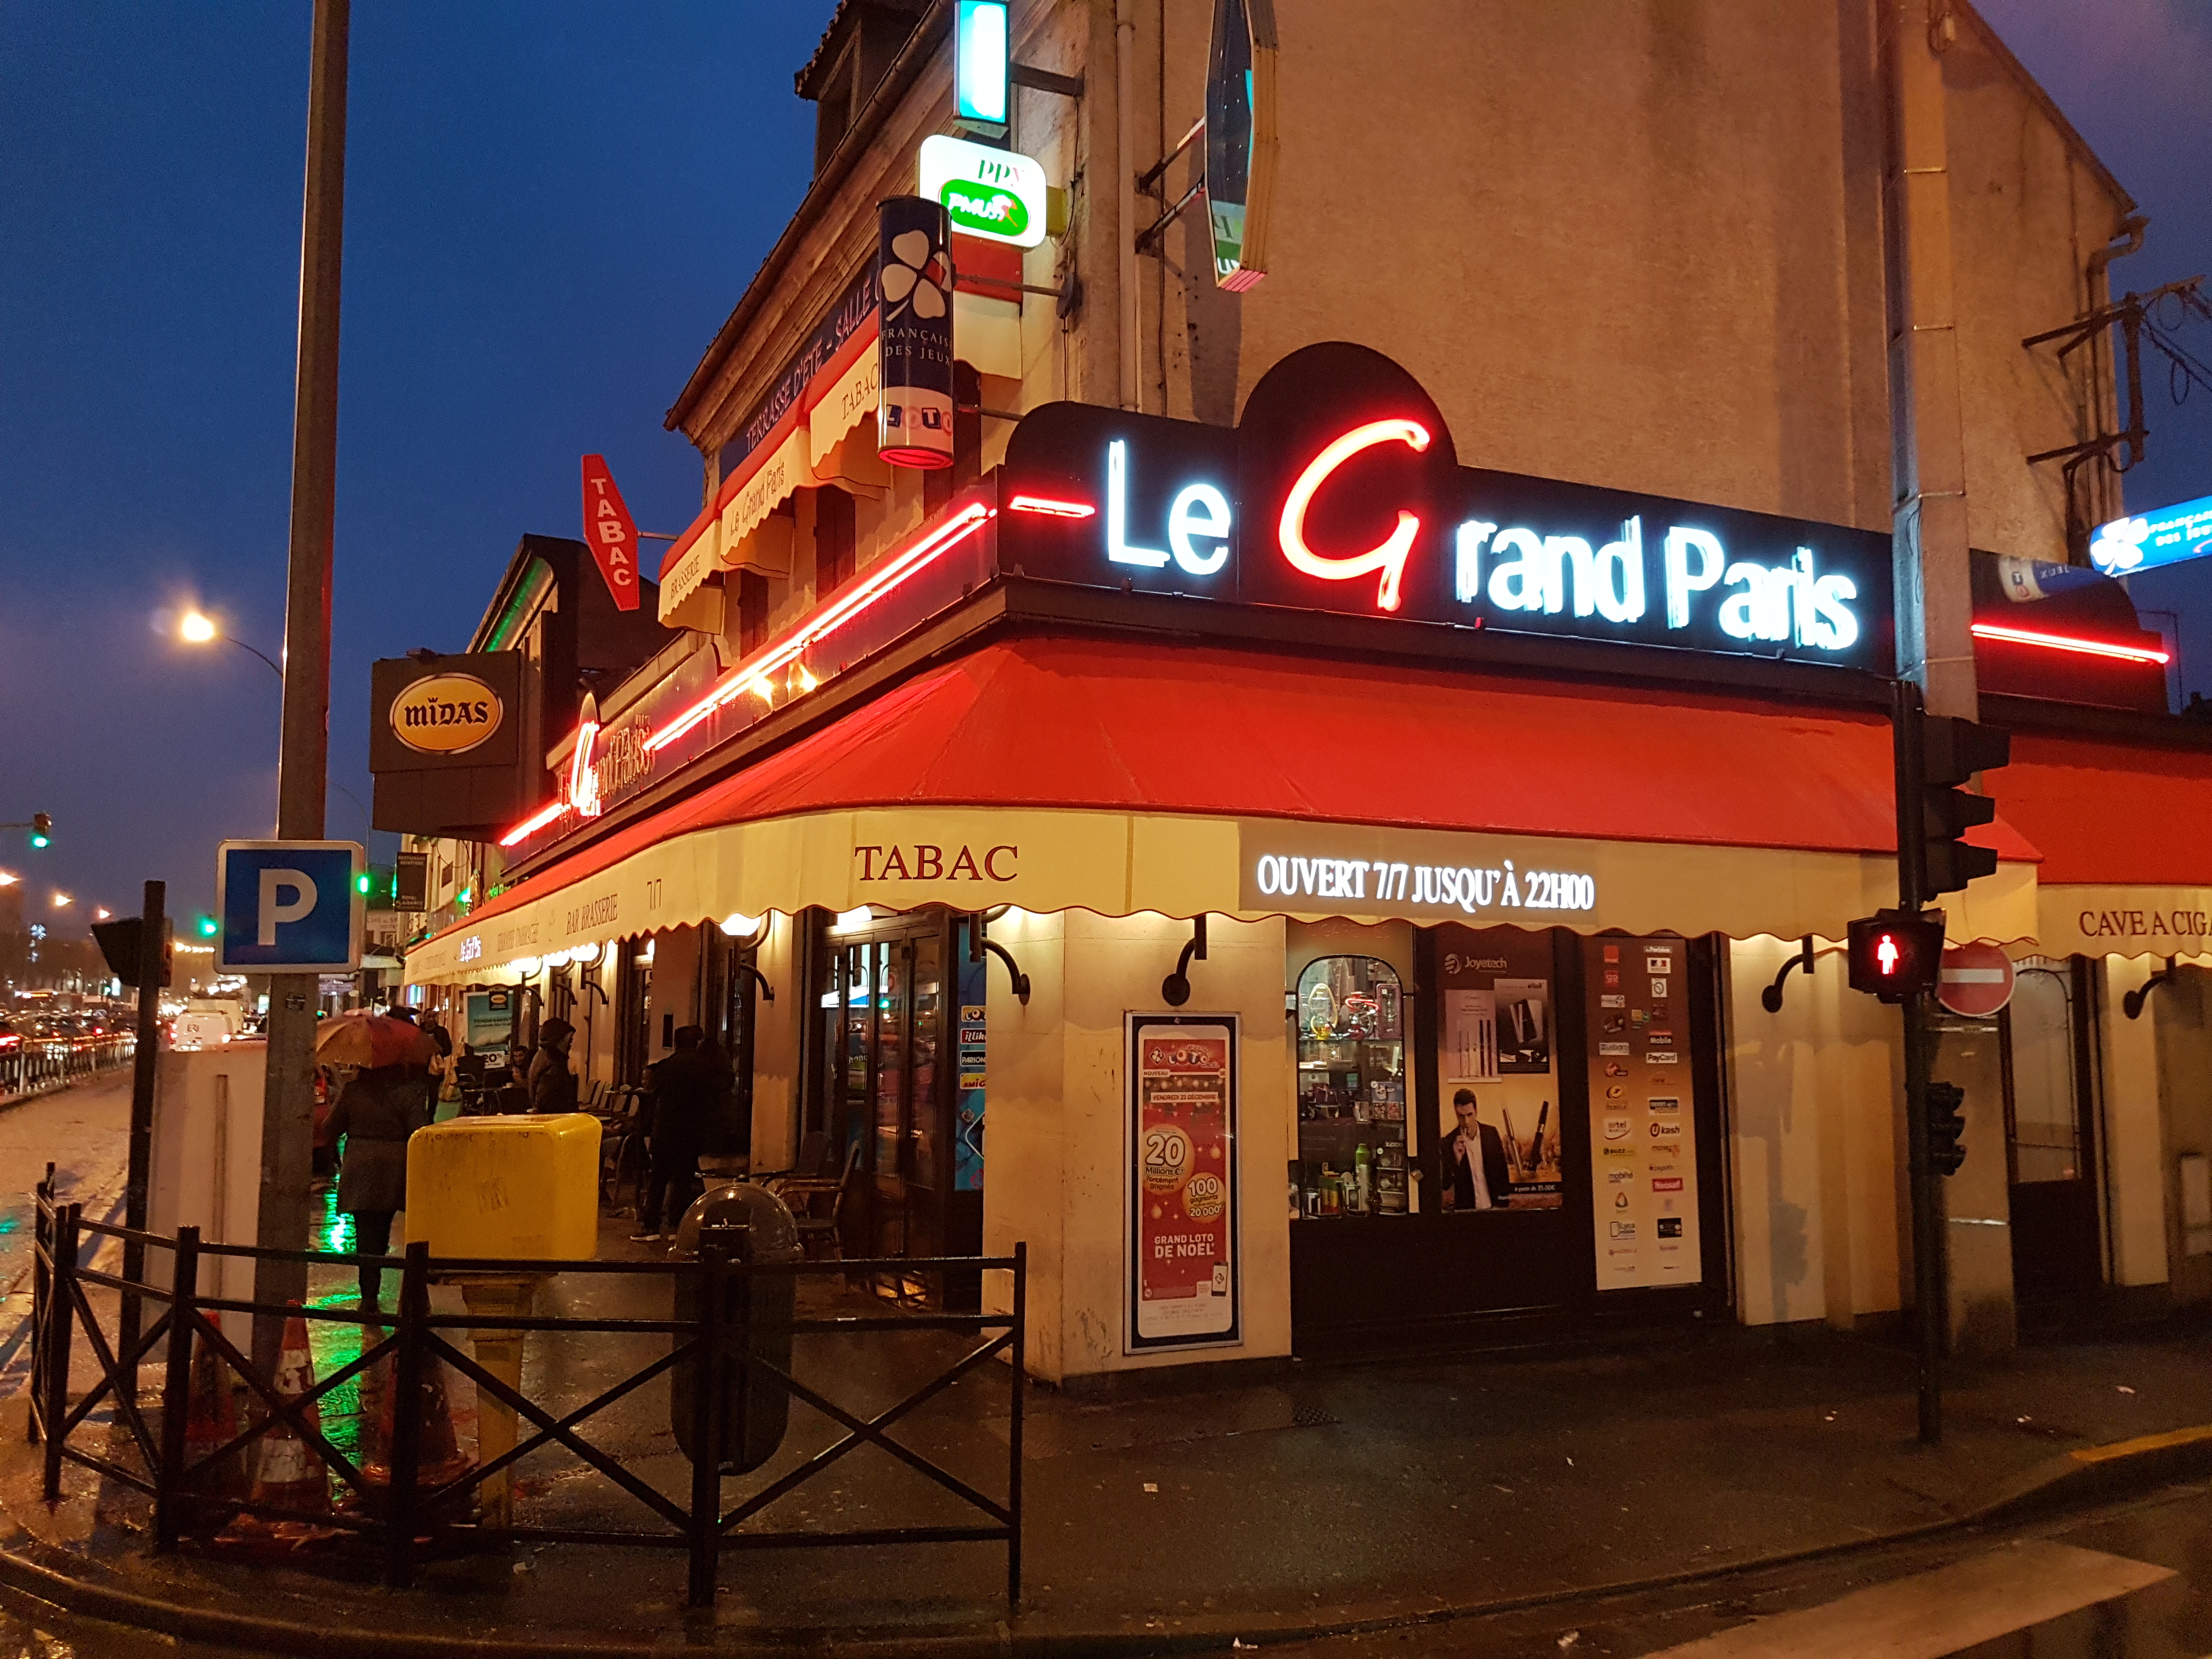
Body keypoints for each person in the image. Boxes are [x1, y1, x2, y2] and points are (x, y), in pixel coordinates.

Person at [326, 1062, 431, 1309]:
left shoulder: (353, 1091)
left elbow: (331, 1127)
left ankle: (369, 1297)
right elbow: (419, 1130)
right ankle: (411, 1298)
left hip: (360, 1167)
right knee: (389, 1229)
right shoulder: (409, 1092)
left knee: (366, 1234)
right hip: (394, 1168)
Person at [631, 1026, 731, 1242]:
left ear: (676, 1043)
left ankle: (651, 1226)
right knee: (683, 1180)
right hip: (691, 1132)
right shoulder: (705, 1068)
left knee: (658, 1179)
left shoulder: (666, 1068)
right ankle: (677, 1225)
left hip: (666, 1131)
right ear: (697, 1042)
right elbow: (722, 1086)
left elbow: (652, 1097)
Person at [1442, 1088, 1513, 1211]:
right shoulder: (1449, 1142)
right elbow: (1446, 1184)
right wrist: (1456, 1160)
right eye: (1461, 1116)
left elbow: (1503, 1172)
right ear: (1456, 1113)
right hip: (1467, 1212)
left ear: (1476, 1111)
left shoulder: (1491, 1134)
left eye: (1470, 1115)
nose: (1466, 1122)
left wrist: (1503, 1204)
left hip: (1494, 1208)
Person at [527, 1018, 579, 1113]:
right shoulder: (554, 1064)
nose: (571, 1045)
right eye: (569, 1041)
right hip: (557, 1118)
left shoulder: (542, 1056)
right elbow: (546, 1102)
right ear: (560, 1041)